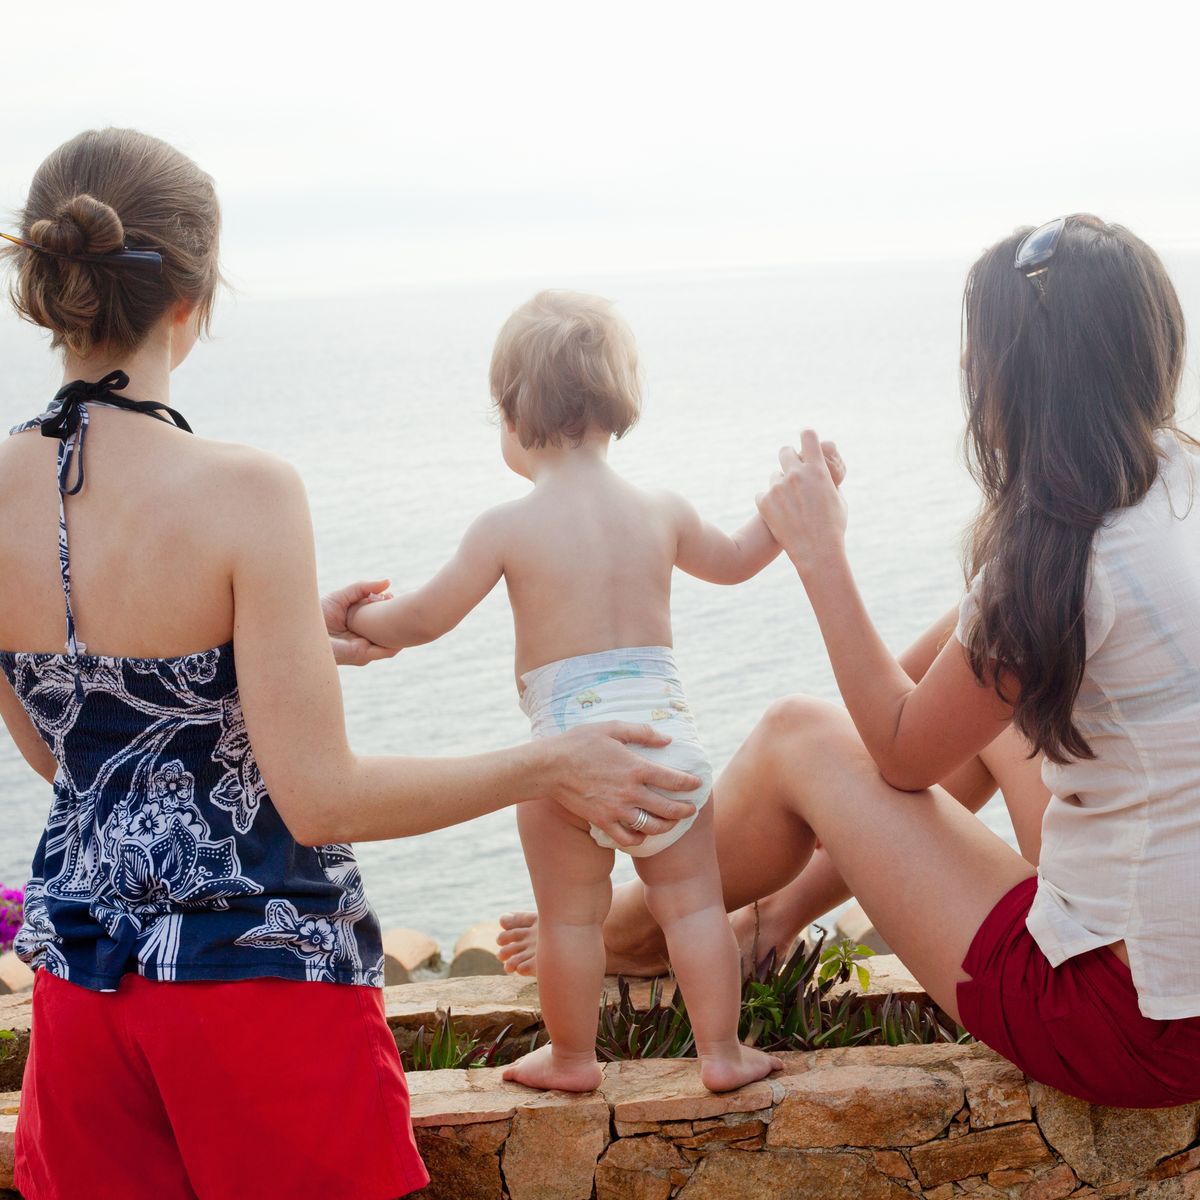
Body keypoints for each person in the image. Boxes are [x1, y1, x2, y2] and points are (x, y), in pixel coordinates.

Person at [0, 131, 700, 1200]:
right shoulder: (246, 491)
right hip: (256, 989)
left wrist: (262, 648)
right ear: (195, 298)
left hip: (83, 993)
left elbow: (77, 762)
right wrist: (548, 765)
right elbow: (320, 799)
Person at [497, 217, 1200, 1108]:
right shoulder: (1175, 481)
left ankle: (639, 927)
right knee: (960, 657)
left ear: (1017, 378)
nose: (963, 375)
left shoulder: (1058, 559)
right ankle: (772, 916)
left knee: (802, 735)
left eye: (975, 355)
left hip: (1133, 1023)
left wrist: (818, 551)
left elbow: (907, 753)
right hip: (1169, 964)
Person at [347, 291, 842, 1092]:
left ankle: (574, 1059)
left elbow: (422, 621)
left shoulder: (507, 525)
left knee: (570, 919)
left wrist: (354, 616)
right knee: (692, 909)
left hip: (565, 759)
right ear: (617, 405)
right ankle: (721, 1051)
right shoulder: (661, 510)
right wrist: (806, 492)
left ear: (512, 413)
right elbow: (745, 555)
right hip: (666, 749)